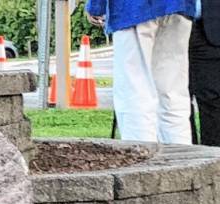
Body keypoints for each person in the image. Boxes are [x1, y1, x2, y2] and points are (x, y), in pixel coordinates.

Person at [86, 0, 196, 144]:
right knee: (172, 93)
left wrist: (95, 6)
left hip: (133, 8)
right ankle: (182, 159)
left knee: (134, 93)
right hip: (180, 8)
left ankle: (141, 157)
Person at [190, 0, 220, 145]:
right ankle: (183, 159)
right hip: (168, 22)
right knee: (171, 101)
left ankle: (213, 162)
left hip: (210, 28)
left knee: (213, 101)